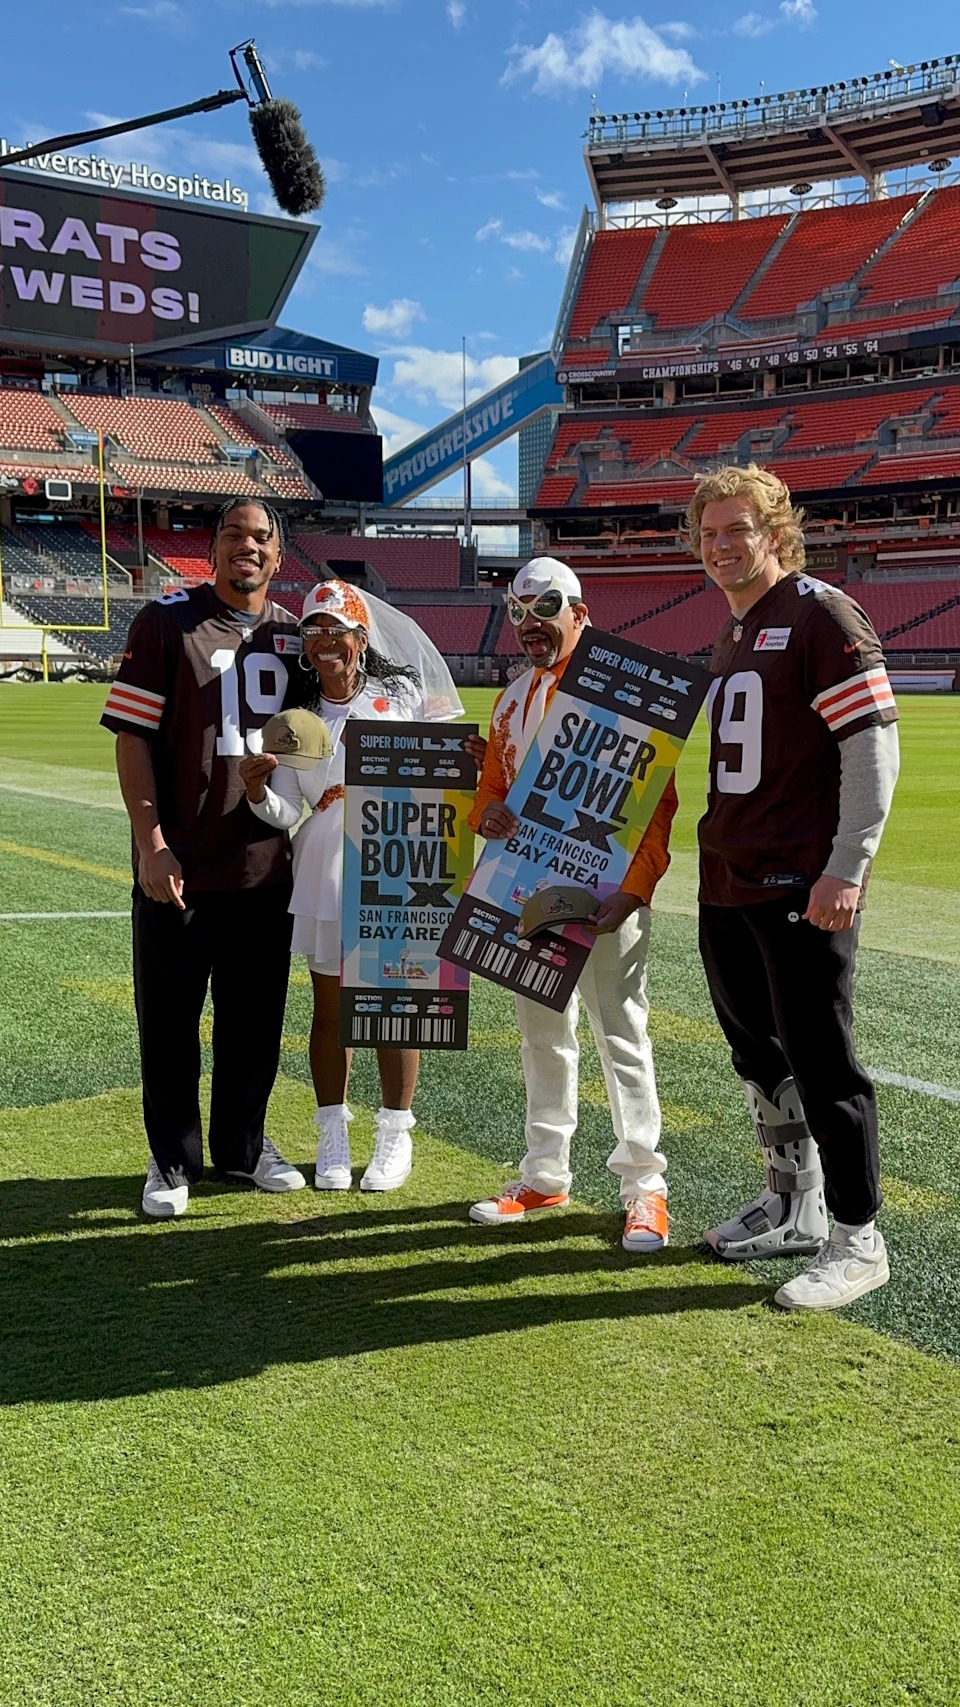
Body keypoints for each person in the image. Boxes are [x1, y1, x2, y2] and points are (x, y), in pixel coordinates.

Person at [689, 463, 899, 1310]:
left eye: (737, 529)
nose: (721, 546)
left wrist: (847, 865)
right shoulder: (738, 627)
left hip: (797, 881)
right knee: (759, 1053)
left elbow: (872, 743)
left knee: (822, 1060)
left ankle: (860, 1236)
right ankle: (794, 1202)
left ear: (776, 532)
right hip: (729, 875)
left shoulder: (819, 613)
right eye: (708, 533)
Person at [101, 499, 307, 1218]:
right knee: (169, 1020)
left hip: (263, 866)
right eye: (234, 535)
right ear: (212, 548)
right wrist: (150, 842)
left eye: (261, 538)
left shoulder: (293, 636)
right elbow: (131, 737)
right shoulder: (166, 622)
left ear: (278, 557)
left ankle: (244, 1147)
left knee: (254, 1022)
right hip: (180, 865)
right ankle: (171, 1157)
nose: (247, 547)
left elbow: (325, 737)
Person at [466, 557, 678, 1252]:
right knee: (541, 1036)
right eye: (518, 611)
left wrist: (637, 886)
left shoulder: (624, 694)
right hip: (529, 893)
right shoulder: (510, 698)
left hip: (607, 894)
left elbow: (658, 800)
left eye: (545, 608)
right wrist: (488, 813)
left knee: (621, 1034)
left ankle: (644, 1188)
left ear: (580, 613)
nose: (529, 625)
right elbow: (492, 787)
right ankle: (545, 1173)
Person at [239, 579, 469, 1193]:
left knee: (396, 1005)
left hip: (399, 858)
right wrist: (259, 789)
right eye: (313, 632)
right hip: (326, 862)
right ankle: (332, 1133)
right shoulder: (296, 719)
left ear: (361, 638)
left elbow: (451, 767)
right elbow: (288, 813)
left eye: (336, 631)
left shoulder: (405, 696)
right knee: (333, 1009)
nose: (324, 644)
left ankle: (395, 1135)